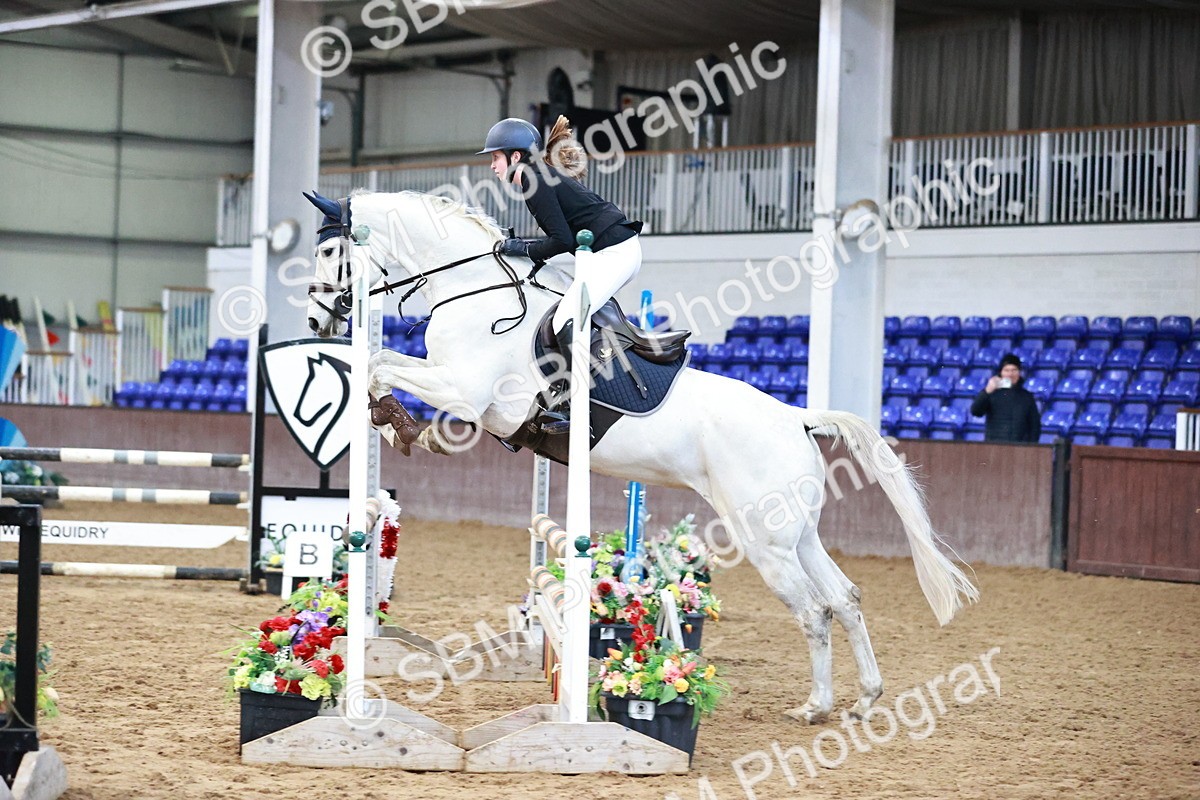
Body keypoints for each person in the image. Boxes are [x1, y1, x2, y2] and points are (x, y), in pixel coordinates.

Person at [479, 115, 644, 433]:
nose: (492, 166)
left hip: (615, 254)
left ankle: (576, 406)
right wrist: (524, 249)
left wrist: (521, 248)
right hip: (608, 253)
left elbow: (562, 241)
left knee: (565, 318)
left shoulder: (534, 180)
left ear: (516, 157)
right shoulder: (537, 176)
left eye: (496, 157)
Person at [970, 353, 1042, 443]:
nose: (1010, 374)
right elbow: (976, 411)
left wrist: (1030, 448)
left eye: (1014, 370)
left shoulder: (1027, 397)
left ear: (1019, 373)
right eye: (1006, 370)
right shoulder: (992, 393)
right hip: (994, 448)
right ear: (1001, 373)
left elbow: (1035, 426)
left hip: (1019, 450)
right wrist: (987, 391)